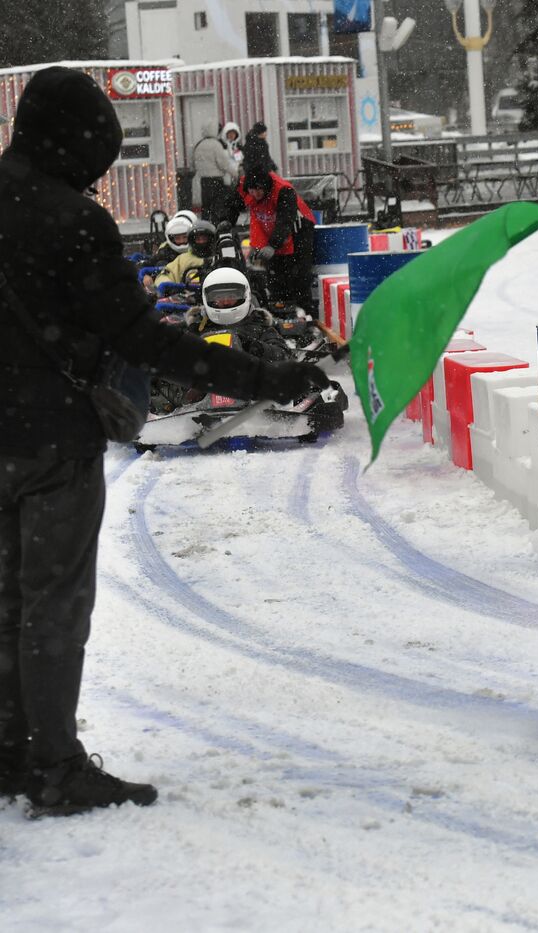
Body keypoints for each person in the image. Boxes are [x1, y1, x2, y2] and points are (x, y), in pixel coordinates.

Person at [0, 66, 330, 817]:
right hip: (54, 442)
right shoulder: (73, 222)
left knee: (4, 598)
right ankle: (54, 766)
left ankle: (8, 751)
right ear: (74, 143)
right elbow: (146, 341)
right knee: (51, 606)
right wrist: (266, 378)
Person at [233, 169, 317, 311]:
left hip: (298, 232)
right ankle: (279, 307)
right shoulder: (244, 189)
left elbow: (285, 221)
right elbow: (250, 217)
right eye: (252, 190)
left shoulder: (284, 191)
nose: (255, 194)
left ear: (266, 187)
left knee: (298, 276)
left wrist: (273, 245)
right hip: (273, 233)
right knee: (274, 276)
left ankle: (304, 310)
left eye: (259, 190)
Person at [152, 219, 218, 291]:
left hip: (219, 297)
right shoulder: (183, 259)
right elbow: (164, 275)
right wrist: (171, 287)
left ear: (211, 240)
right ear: (192, 241)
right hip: (190, 298)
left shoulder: (219, 257)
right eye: (198, 239)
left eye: (204, 239)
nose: (201, 242)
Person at [190, 121, 238, 214]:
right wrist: (236, 174)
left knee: (206, 205)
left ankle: (206, 224)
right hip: (216, 180)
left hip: (204, 180)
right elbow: (224, 164)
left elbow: (193, 162)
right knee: (217, 206)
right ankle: (216, 225)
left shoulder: (199, 144)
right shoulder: (216, 145)